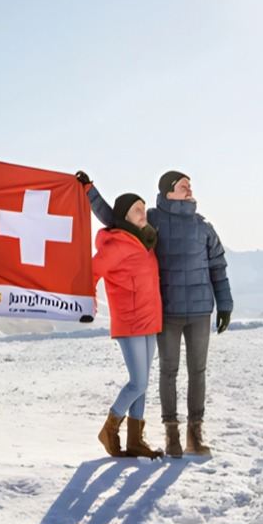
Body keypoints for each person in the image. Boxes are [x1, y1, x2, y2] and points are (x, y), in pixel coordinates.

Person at [77, 169, 233, 458]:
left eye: (190, 185)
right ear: (168, 191)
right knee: (159, 375)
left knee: (186, 373)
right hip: (162, 314)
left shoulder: (191, 229)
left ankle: (181, 435)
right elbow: (115, 218)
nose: (190, 190)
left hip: (187, 312)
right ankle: (166, 434)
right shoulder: (152, 222)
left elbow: (217, 266)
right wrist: (90, 192)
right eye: (183, 185)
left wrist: (225, 303)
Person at [91, 192, 164, 459]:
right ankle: (109, 429)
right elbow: (91, 271)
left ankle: (135, 441)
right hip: (130, 321)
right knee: (138, 383)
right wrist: (89, 301)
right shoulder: (117, 244)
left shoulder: (146, 241)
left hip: (150, 320)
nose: (143, 212)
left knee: (142, 383)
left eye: (144, 207)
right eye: (136, 209)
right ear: (124, 216)